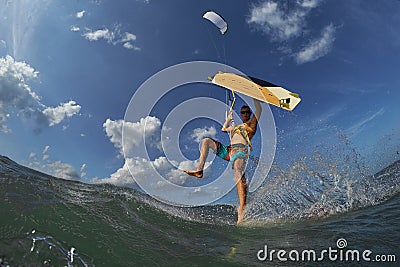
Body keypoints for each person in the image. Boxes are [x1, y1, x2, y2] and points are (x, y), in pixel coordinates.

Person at [183, 99, 262, 224]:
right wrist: (229, 118)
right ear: (241, 114)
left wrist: (255, 97)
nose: (245, 114)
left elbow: (259, 110)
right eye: (243, 112)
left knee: (237, 173)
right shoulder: (236, 127)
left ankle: (242, 210)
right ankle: (199, 170)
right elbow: (224, 129)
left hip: (240, 152)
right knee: (206, 141)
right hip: (228, 151)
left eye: (247, 112)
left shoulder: (251, 124)